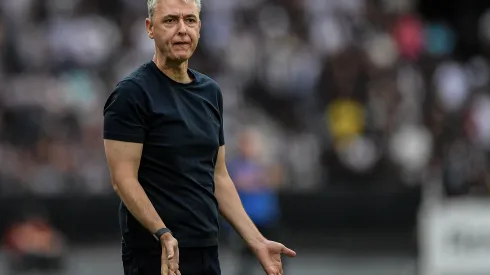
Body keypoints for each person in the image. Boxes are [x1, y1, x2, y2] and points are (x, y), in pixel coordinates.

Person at [102, 0, 296, 275]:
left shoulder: (210, 92)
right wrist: (163, 234)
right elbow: (123, 179)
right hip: (155, 254)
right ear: (150, 28)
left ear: (200, 27)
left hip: (205, 248)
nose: (182, 30)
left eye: (190, 20)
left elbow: (218, 176)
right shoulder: (131, 94)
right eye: (170, 20)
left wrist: (257, 241)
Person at [226, 129, 284, 275]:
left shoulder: (264, 162)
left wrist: (255, 179)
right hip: (247, 219)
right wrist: (258, 179)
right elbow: (237, 183)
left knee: (277, 255)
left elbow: (275, 180)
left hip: (266, 217)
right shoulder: (235, 164)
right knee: (246, 258)